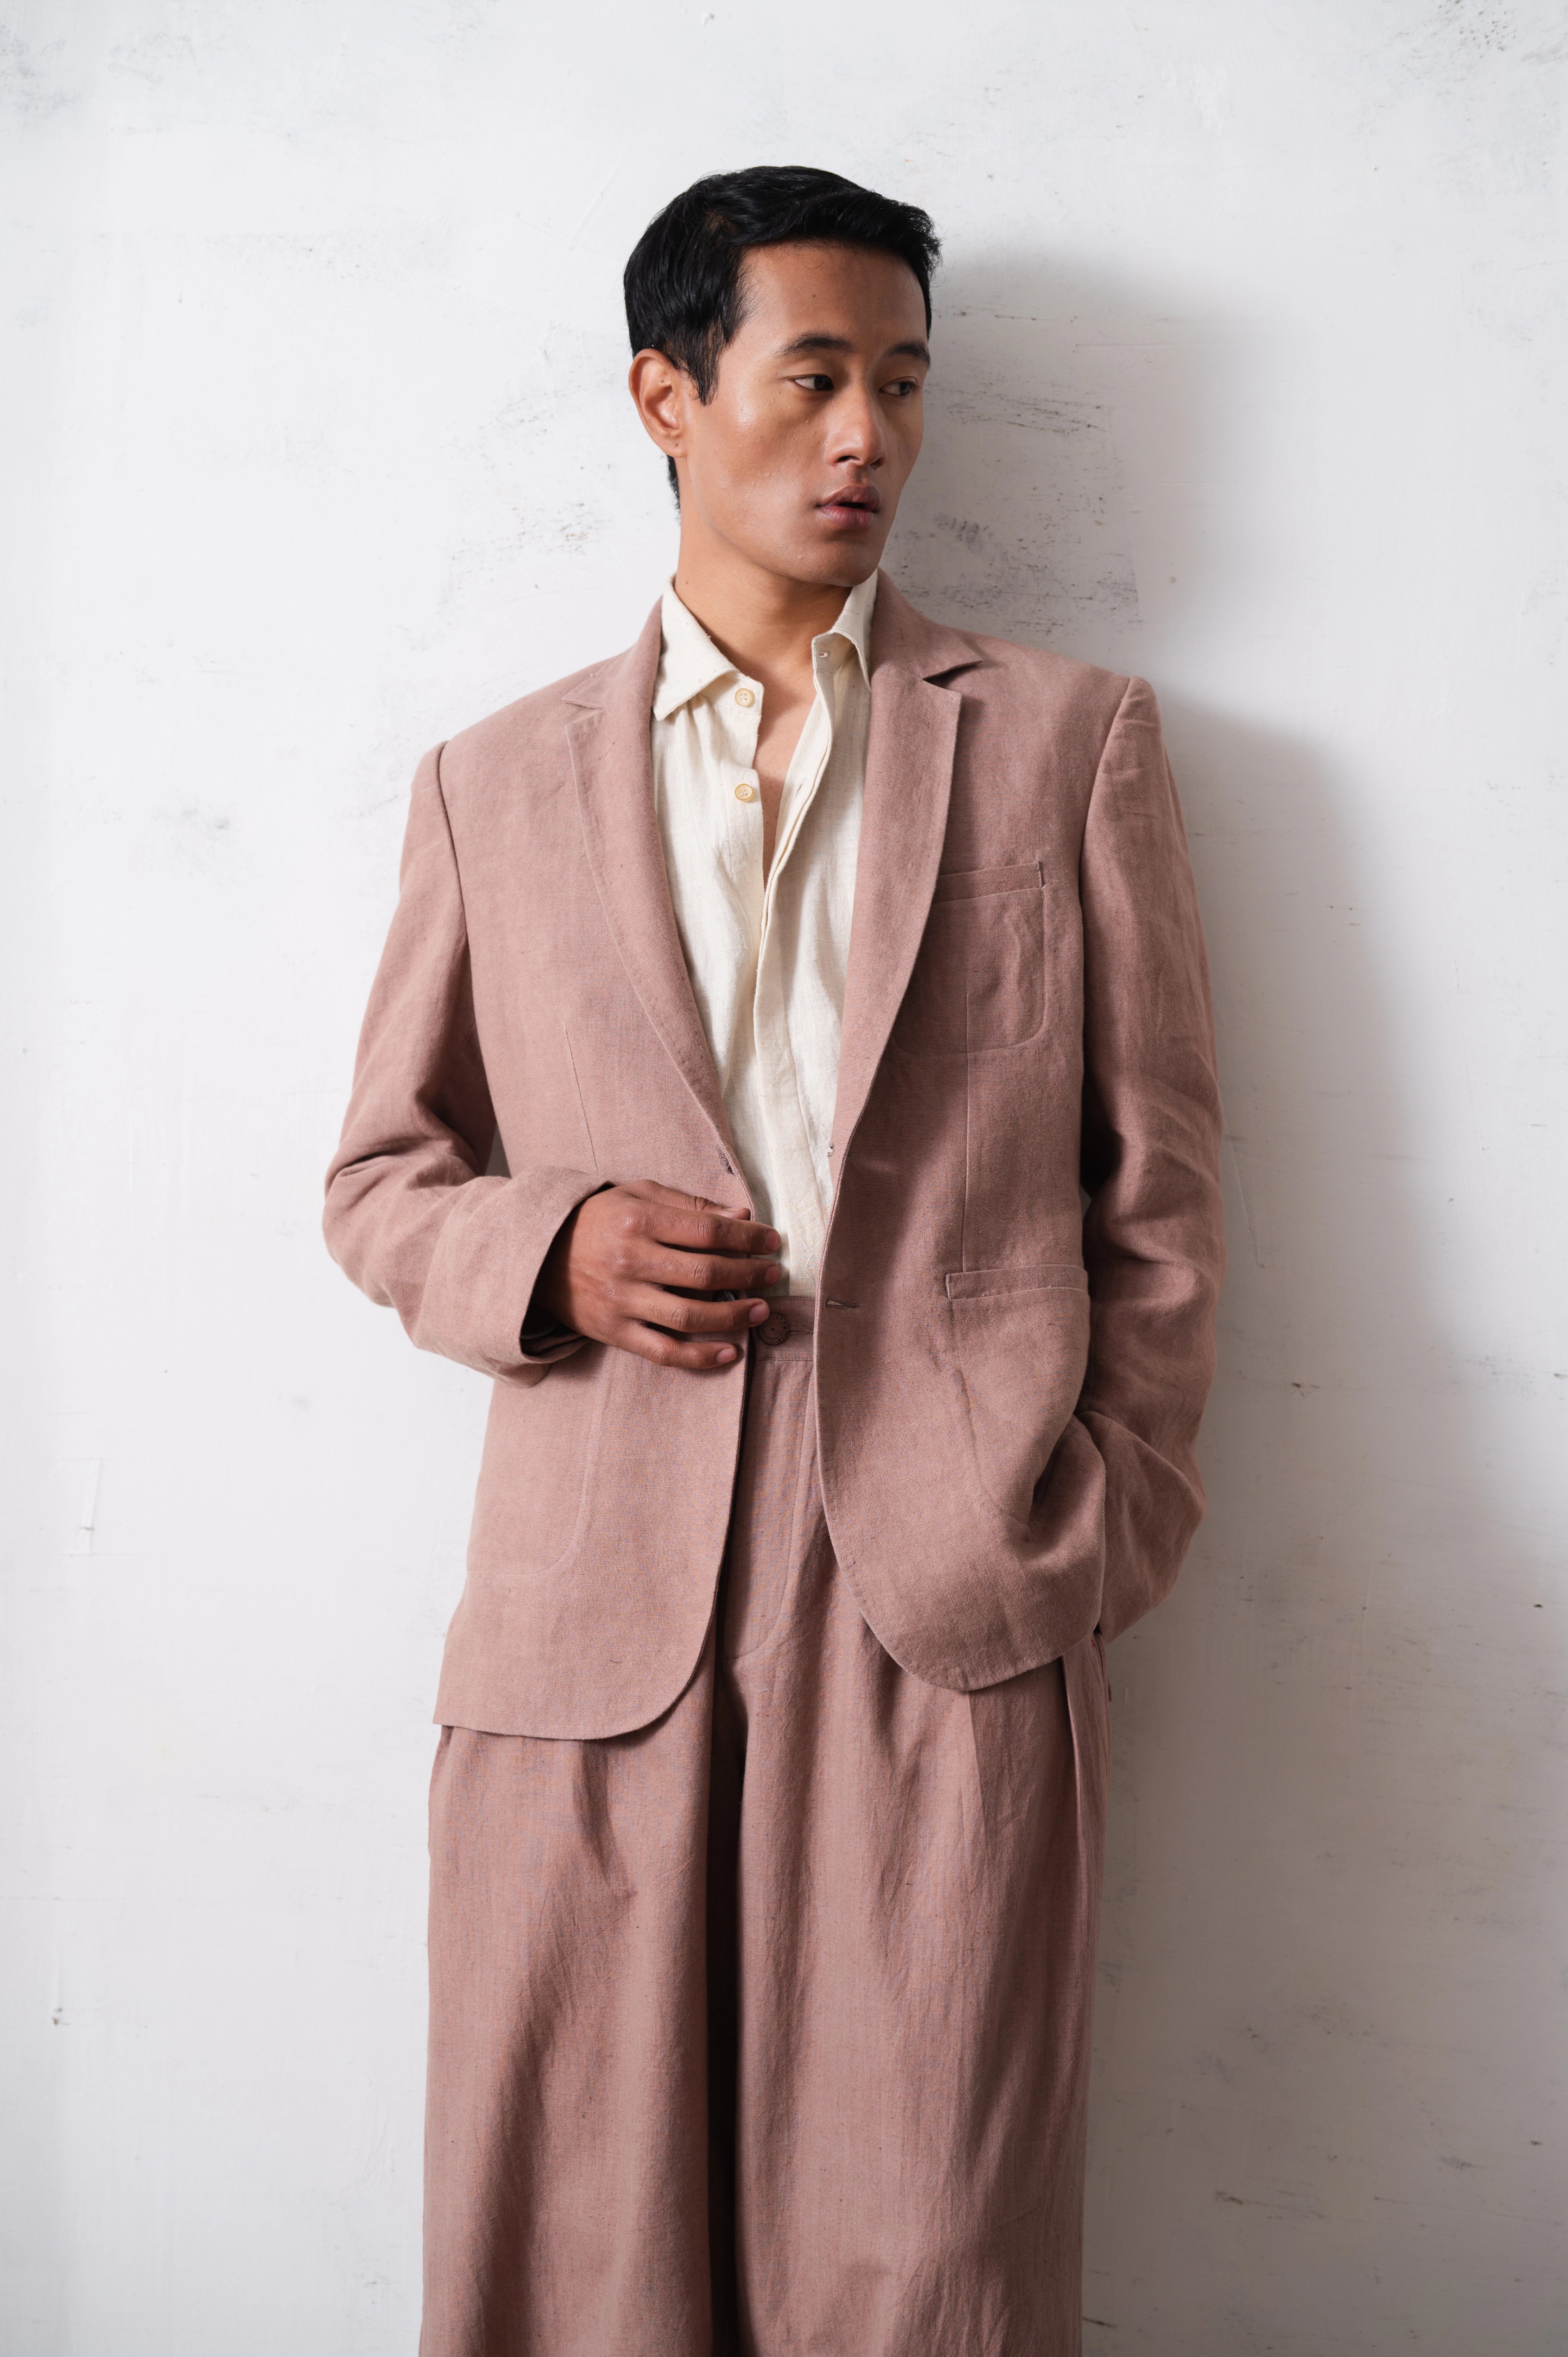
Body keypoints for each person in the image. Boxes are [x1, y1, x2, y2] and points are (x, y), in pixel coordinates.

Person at [325, 164, 1224, 2357]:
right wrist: (551, 1248)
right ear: (668, 397)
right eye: (813, 377)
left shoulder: (1066, 740)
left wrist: (1096, 1522)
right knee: (579, 2236)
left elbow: (1163, 1191)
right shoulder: (492, 784)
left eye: (902, 385)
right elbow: (382, 1177)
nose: (866, 437)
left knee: (922, 2245)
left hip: (948, 1571)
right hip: (594, 1586)